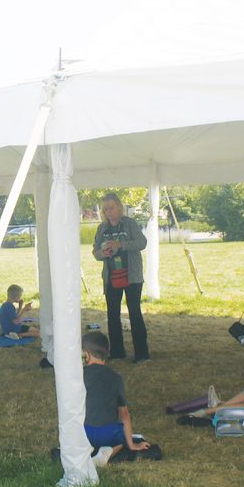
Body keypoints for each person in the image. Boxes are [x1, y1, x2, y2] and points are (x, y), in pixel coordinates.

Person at [92, 192, 149, 363]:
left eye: (112, 208)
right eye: (106, 209)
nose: (109, 212)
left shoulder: (130, 224)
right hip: (112, 277)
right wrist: (103, 252)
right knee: (113, 315)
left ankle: (142, 354)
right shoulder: (102, 228)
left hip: (132, 276)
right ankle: (117, 352)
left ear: (119, 207)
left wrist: (120, 245)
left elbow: (142, 243)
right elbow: (95, 252)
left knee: (135, 313)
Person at [82, 331, 151, 466]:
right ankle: (109, 452)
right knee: (121, 439)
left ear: (87, 355)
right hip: (109, 435)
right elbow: (124, 414)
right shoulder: (116, 378)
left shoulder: (80, 376)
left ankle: (88, 451)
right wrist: (131, 445)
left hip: (84, 433)